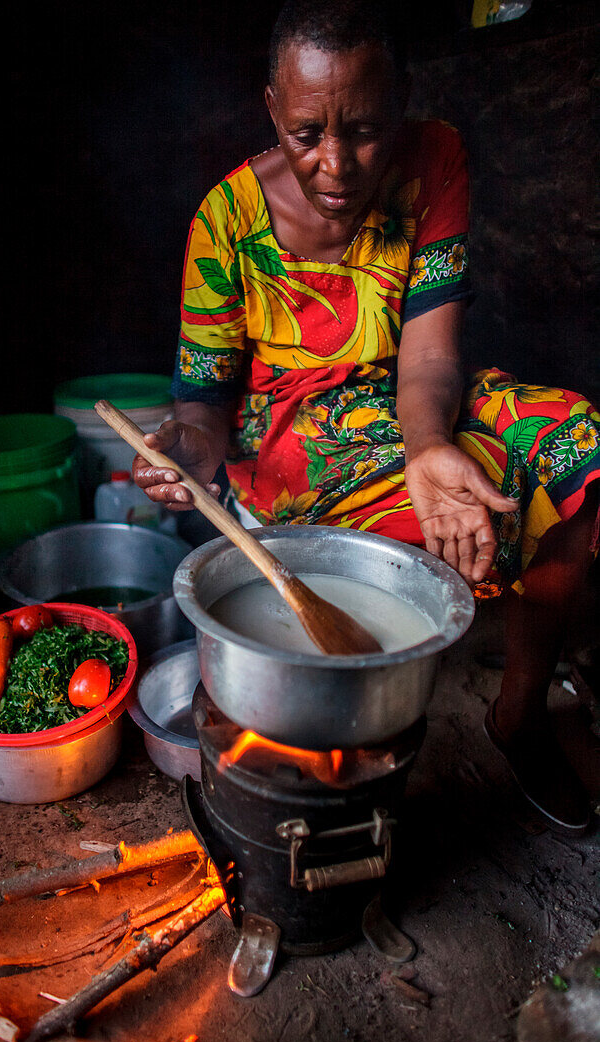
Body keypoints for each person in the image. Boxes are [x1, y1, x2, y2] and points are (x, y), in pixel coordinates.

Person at [133, 0, 599, 832]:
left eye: (366, 130)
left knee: (574, 444)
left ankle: (518, 716)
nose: (337, 164)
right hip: (291, 440)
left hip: (415, 391)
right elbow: (202, 401)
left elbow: (426, 357)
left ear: (403, 104)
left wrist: (426, 448)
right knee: (442, 524)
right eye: (307, 132)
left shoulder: (436, 158)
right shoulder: (225, 222)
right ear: (272, 108)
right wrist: (190, 451)